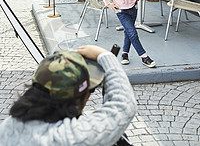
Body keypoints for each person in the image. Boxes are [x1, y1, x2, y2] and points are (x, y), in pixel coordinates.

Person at [0, 45, 136, 146]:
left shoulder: (7, 128)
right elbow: (122, 106)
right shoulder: (68, 137)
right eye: (90, 91)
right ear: (77, 100)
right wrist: (105, 56)